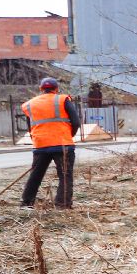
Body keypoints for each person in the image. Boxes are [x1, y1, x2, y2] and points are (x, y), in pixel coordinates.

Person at [20, 77, 82, 210]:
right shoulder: (62, 99)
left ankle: (26, 203)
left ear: (41, 89)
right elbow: (76, 122)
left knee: (36, 175)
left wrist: (37, 139)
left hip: (40, 145)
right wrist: (70, 135)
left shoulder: (30, 104)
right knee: (65, 175)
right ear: (57, 89)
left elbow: (30, 127)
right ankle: (62, 205)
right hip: (62, 144)